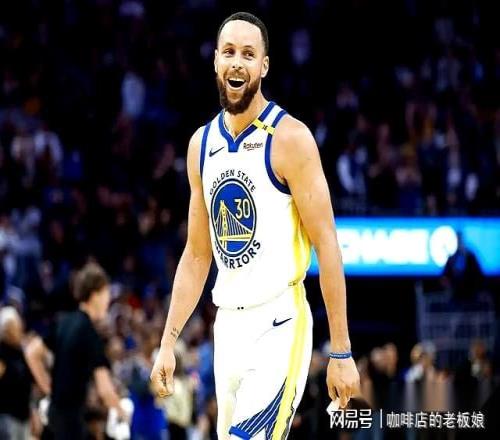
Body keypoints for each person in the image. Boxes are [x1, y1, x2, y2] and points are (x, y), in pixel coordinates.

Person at [150, 12, 359, 440]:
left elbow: (327, 245)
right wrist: (168, 342)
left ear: (264, 66)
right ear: (215, 61)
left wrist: (341, 351)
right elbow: (196, 255)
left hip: (280, 321)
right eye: (229, 52)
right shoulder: (201, 145)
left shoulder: (291, 139)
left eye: (248, 54)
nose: (237, 62)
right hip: (227, 327)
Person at [25, 262, 125, 439]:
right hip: (71, 423)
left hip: (54, 416)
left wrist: (48, 388)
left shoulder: (63, 321)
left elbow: (31, 352)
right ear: (95, 295)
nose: (108, 300)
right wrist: (121, 411)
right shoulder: (90, 334)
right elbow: (105, 390)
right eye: (106, 293)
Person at [0, 306, 33, 440]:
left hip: (23, 415)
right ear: (6, 330)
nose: (20, 330)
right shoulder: (2, 352)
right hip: (7, 416)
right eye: (16, 327)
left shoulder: (20, 351)